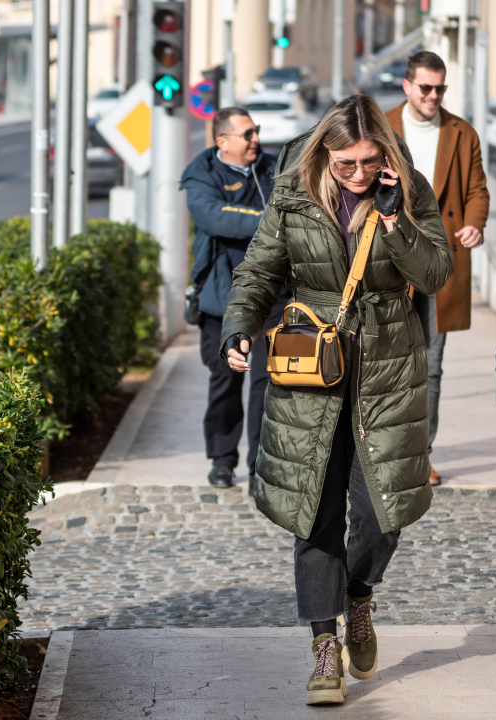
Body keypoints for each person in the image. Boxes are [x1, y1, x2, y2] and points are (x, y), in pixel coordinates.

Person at [220, 95, 452, 705]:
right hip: (311, 368)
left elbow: (435, 273)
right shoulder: (294, 189)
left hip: (387, 368)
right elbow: (261, 267)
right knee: (315, 514)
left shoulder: (407, 187)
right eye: (345, 163)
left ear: (384, 152)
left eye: (368, 162)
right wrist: (238, 325)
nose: (357, 174)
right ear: (325, 151)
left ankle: (358, 594)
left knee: (381, 514)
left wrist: (397, 216)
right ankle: (325, 645)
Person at [384, 50, 489, 485]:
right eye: (425, 87)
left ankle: (421, 456)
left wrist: (474, 225)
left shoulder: (462, 133)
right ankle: (387, 452)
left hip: (440, 263)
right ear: (407, 86)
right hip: (387, 262)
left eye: (439, 88)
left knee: (431, 365)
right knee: (389, 364)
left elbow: (477, 189)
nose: (432, 95)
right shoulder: (381, 128)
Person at [180, 107, 290, 490]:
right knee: (225, 380)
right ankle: (222, 460)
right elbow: (216, 218)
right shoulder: (200, 175)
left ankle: (262, 461)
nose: (255, 138)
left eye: (256, 131)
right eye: (247, 134)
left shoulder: (276, 168)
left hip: (274, 293)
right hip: (221, 298)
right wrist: (269, 219)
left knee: (267, 381)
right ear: (222, 142)